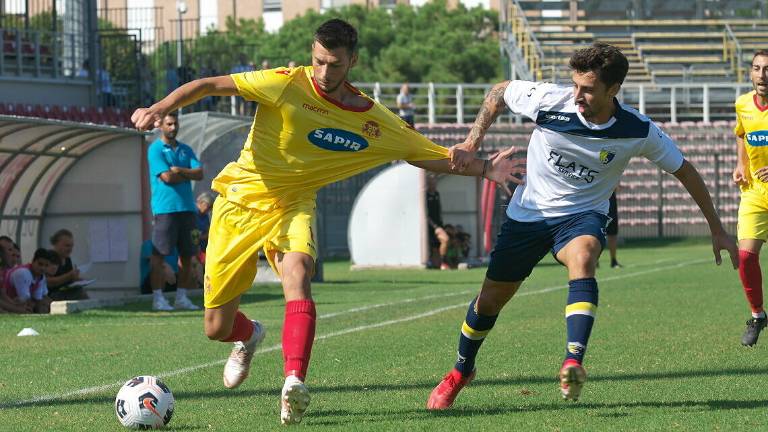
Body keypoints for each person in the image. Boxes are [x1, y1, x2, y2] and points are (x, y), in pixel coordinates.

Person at [131, 18, 524, 425]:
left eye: (334, 65)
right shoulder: (284, 82)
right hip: (238, 203)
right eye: (318, 61)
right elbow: (210, 85)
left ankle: (293, 382)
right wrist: (159, 108)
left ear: (352, 61)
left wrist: (483, 169)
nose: (323, 73)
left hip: (293, 204)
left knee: (299, 273)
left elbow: (420, 152)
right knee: (216, 326)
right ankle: (249, 336)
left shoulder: (370, 118)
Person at [427, 42, 739, 410]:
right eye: (575, 85)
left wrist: (717, 228)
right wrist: (472, 139)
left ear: (613, 90)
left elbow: (685, 170)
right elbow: (500, 91)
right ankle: (461, 371)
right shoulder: (550, 101)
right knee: (491, 300)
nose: (577, 95)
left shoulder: (637, 130)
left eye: (588, 89)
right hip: (529, 213)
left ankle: (573, 361)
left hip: (581, 215)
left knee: (585, 256)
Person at [146, 111, 202, 311]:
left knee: (188, 255)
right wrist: (187, 174)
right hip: (165, 210)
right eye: (169, 124)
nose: (173, 127)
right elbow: (167, 178)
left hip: (187, 209)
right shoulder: (155, 149)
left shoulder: (186, 149)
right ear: (161, 125)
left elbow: (200, 173)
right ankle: (158, 298)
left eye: (175, 124)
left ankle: (181, 297)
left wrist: (179, 170)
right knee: (159, 255)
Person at [732, 50, 768, 347]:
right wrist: (741, 165)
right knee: (745, 257)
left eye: (767, 69)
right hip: (755, 192)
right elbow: (742, 134)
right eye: (757, 69)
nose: (762, 75)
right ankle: (757, 315)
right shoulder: (743, 104)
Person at [3, 248, 58, 314]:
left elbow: (39, 299)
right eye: (40, 264)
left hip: (20, 303)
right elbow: (24, 299)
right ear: (33, 261)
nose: (43, 268)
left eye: (46, 265)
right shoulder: (23, 273)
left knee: (44, 305)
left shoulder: (41, 277)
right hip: (8, 303)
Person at [47, 229, 89, 301]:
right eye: (67, 246)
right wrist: (69, 275)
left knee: (79, 290)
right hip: (50, 295)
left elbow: (68, 280)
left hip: (62, 293)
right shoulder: (48, 257)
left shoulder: (67, 259)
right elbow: (48, 282)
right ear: (56, 244)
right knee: (79, 293)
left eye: (71, 246)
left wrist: (77, 280)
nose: (70, 249)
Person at [426, 175, 451, 269]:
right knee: (445, 239)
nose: (433, 184)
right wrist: (435, 226)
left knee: (440, 244)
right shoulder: (425, 195)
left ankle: (440, 263)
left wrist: (441, 224)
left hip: (438, 224)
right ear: (428, 183)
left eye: (435, 182)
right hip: (431, 226)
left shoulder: (436, 194)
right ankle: (442, 263)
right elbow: (425, 214)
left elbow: (439, 210)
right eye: (431, 182)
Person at [192, 192, 214, 288]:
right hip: (194, 247)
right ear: (201, 203)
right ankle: (201, 285)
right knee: (200, 264)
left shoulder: (204, 215)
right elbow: (193, 233)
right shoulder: (193, 213)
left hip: (203, 247)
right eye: (208, 207)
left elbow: (208, 231)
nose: (209, 210)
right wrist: (203, 236)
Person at [606, 190, 622, 268]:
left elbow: (617, 186)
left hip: (611, 204)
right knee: (594, 234)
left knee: (612, 234)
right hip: (597, 202)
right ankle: (595, 261)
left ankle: (613, 260)